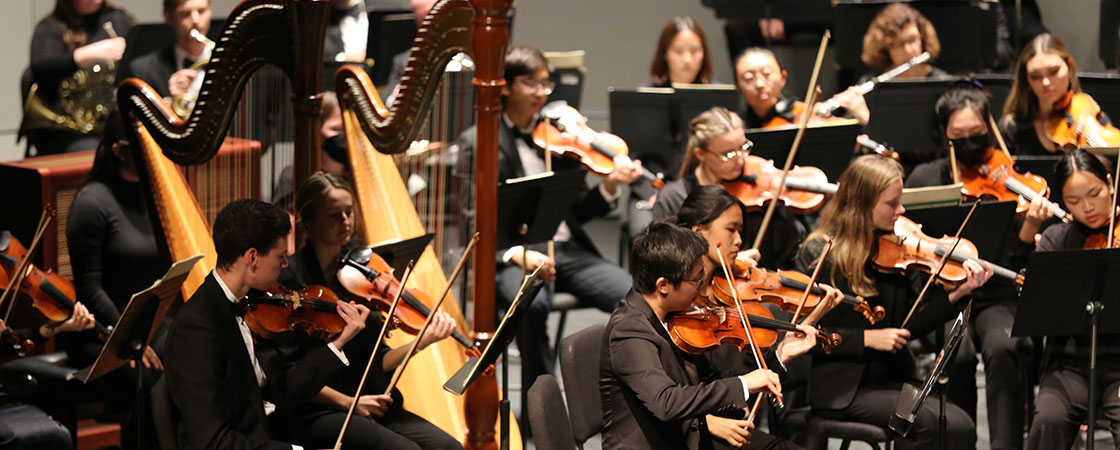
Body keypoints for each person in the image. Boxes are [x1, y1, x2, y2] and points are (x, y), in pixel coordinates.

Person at [455, 46, 642, 429]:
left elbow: (578, 212)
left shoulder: (558, 137)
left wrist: (608, 187)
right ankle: (542, 416)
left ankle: (628, 399)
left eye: (546, 83)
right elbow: (471, 220)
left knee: (633, 298)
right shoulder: (480, 141)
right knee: (532, 306)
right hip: (511, 253)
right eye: (531, 83)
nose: (542, 93)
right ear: (505, 87)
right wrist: (516, 253)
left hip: (566, 250)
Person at [794, 155, 992, 450]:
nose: (900, 211)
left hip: (891, 379)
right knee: (935, 426)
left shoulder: (894, 251)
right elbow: (801, 333)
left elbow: (909, 326)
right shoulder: (819, 256)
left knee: (956, 424)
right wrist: (866, 339)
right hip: (843, 388)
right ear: (862, 205)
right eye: (891, 203)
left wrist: (958, 293)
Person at [162, 198, 371, 450]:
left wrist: (339, 341)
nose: (285, 265)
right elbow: (215, 442)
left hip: (275, 432)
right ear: (252, 257)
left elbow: (274, 394)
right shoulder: (196, 329)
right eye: (281, 256)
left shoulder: (248, 302)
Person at [278, 172, 462, 450]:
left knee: (448, 447)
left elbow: (376, 362)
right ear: (309, 220)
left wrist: (421, 342)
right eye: (334, 214)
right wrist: (350, 403)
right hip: (318, 408)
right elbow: (291, 375)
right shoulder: (292, 281)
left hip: (365, 399)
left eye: (349, 212)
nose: (345, 221)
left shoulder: (358, 277)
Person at [601, 221, 821, 450]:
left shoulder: (676, 317)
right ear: (663, 285)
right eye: (696, 280)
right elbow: (666, 403)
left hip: (690, 436)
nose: (701, 288)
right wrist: (744, 383)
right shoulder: (629, 330)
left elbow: (713, 383)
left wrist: (780, 356)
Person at [904, 84, 1041, 450]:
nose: (969, 143)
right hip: (947, 294)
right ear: (943, 136)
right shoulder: (924, 179)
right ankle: (959, 443)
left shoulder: (1010, 178)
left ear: (990, 128)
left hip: (997, 293)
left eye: (977, 135)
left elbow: (1020, 263)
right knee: (957, 354)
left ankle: (1006, 446)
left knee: (1005, 346)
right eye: (958, 137)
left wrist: (1028, 229)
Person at [1025, 149, 1120, 449]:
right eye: (1074, 201)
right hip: (1070, 366)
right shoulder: (1056, 240)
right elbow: (1038, 307)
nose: (1088, 207)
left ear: (1110, 184)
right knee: (1047, 421)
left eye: (1095, 193)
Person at [66, 109, 166, 370]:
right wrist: (128, 337)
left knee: (203, 347)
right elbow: (89, 289)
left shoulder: (153, 194)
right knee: (163, 369)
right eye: (147, 145)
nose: (155, 151)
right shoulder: (91, 203)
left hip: (147, 326)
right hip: (105, 330)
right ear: (120, 152)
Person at [652, 106, 805, 270]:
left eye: (743, 147)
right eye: (729, 154)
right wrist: (730, 261)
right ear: (700, 154)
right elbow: (666, 260)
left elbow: (792, 240)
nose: (740, 160)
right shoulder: (675, 197)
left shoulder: (759, 189)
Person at [26, 0, 132, 155]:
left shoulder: (118, 19)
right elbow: (41, 65)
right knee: (97, 152)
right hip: (68, 129)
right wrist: (85, 55)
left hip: (113, 120)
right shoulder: (51, 26)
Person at [1001, 33, 1114, 155]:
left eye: (1053, 72)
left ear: (1069, 67)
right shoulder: (1012, 128)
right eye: (1035, 76)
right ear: (1026, 80)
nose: (1045, 82)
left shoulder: (1092, 118)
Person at [733, 48, 869, 128]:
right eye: (749, 78)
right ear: (738, 87)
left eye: (767, 74)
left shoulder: (806, 115)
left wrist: (863, 118)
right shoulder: (735, 126)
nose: (760, 84)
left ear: (783, 77)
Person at [128, 0, 212, 100]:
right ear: (168, 17)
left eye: (201, 11)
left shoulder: (231, 63)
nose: (195, 20)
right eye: (185, 14)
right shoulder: (143, 70)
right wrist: (170, 104)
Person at [647, 17, 714, 88]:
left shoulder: (720, 96)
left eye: (694, 51)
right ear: (665, 54)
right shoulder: (645, 96)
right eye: (678, 51)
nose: (687, 60)